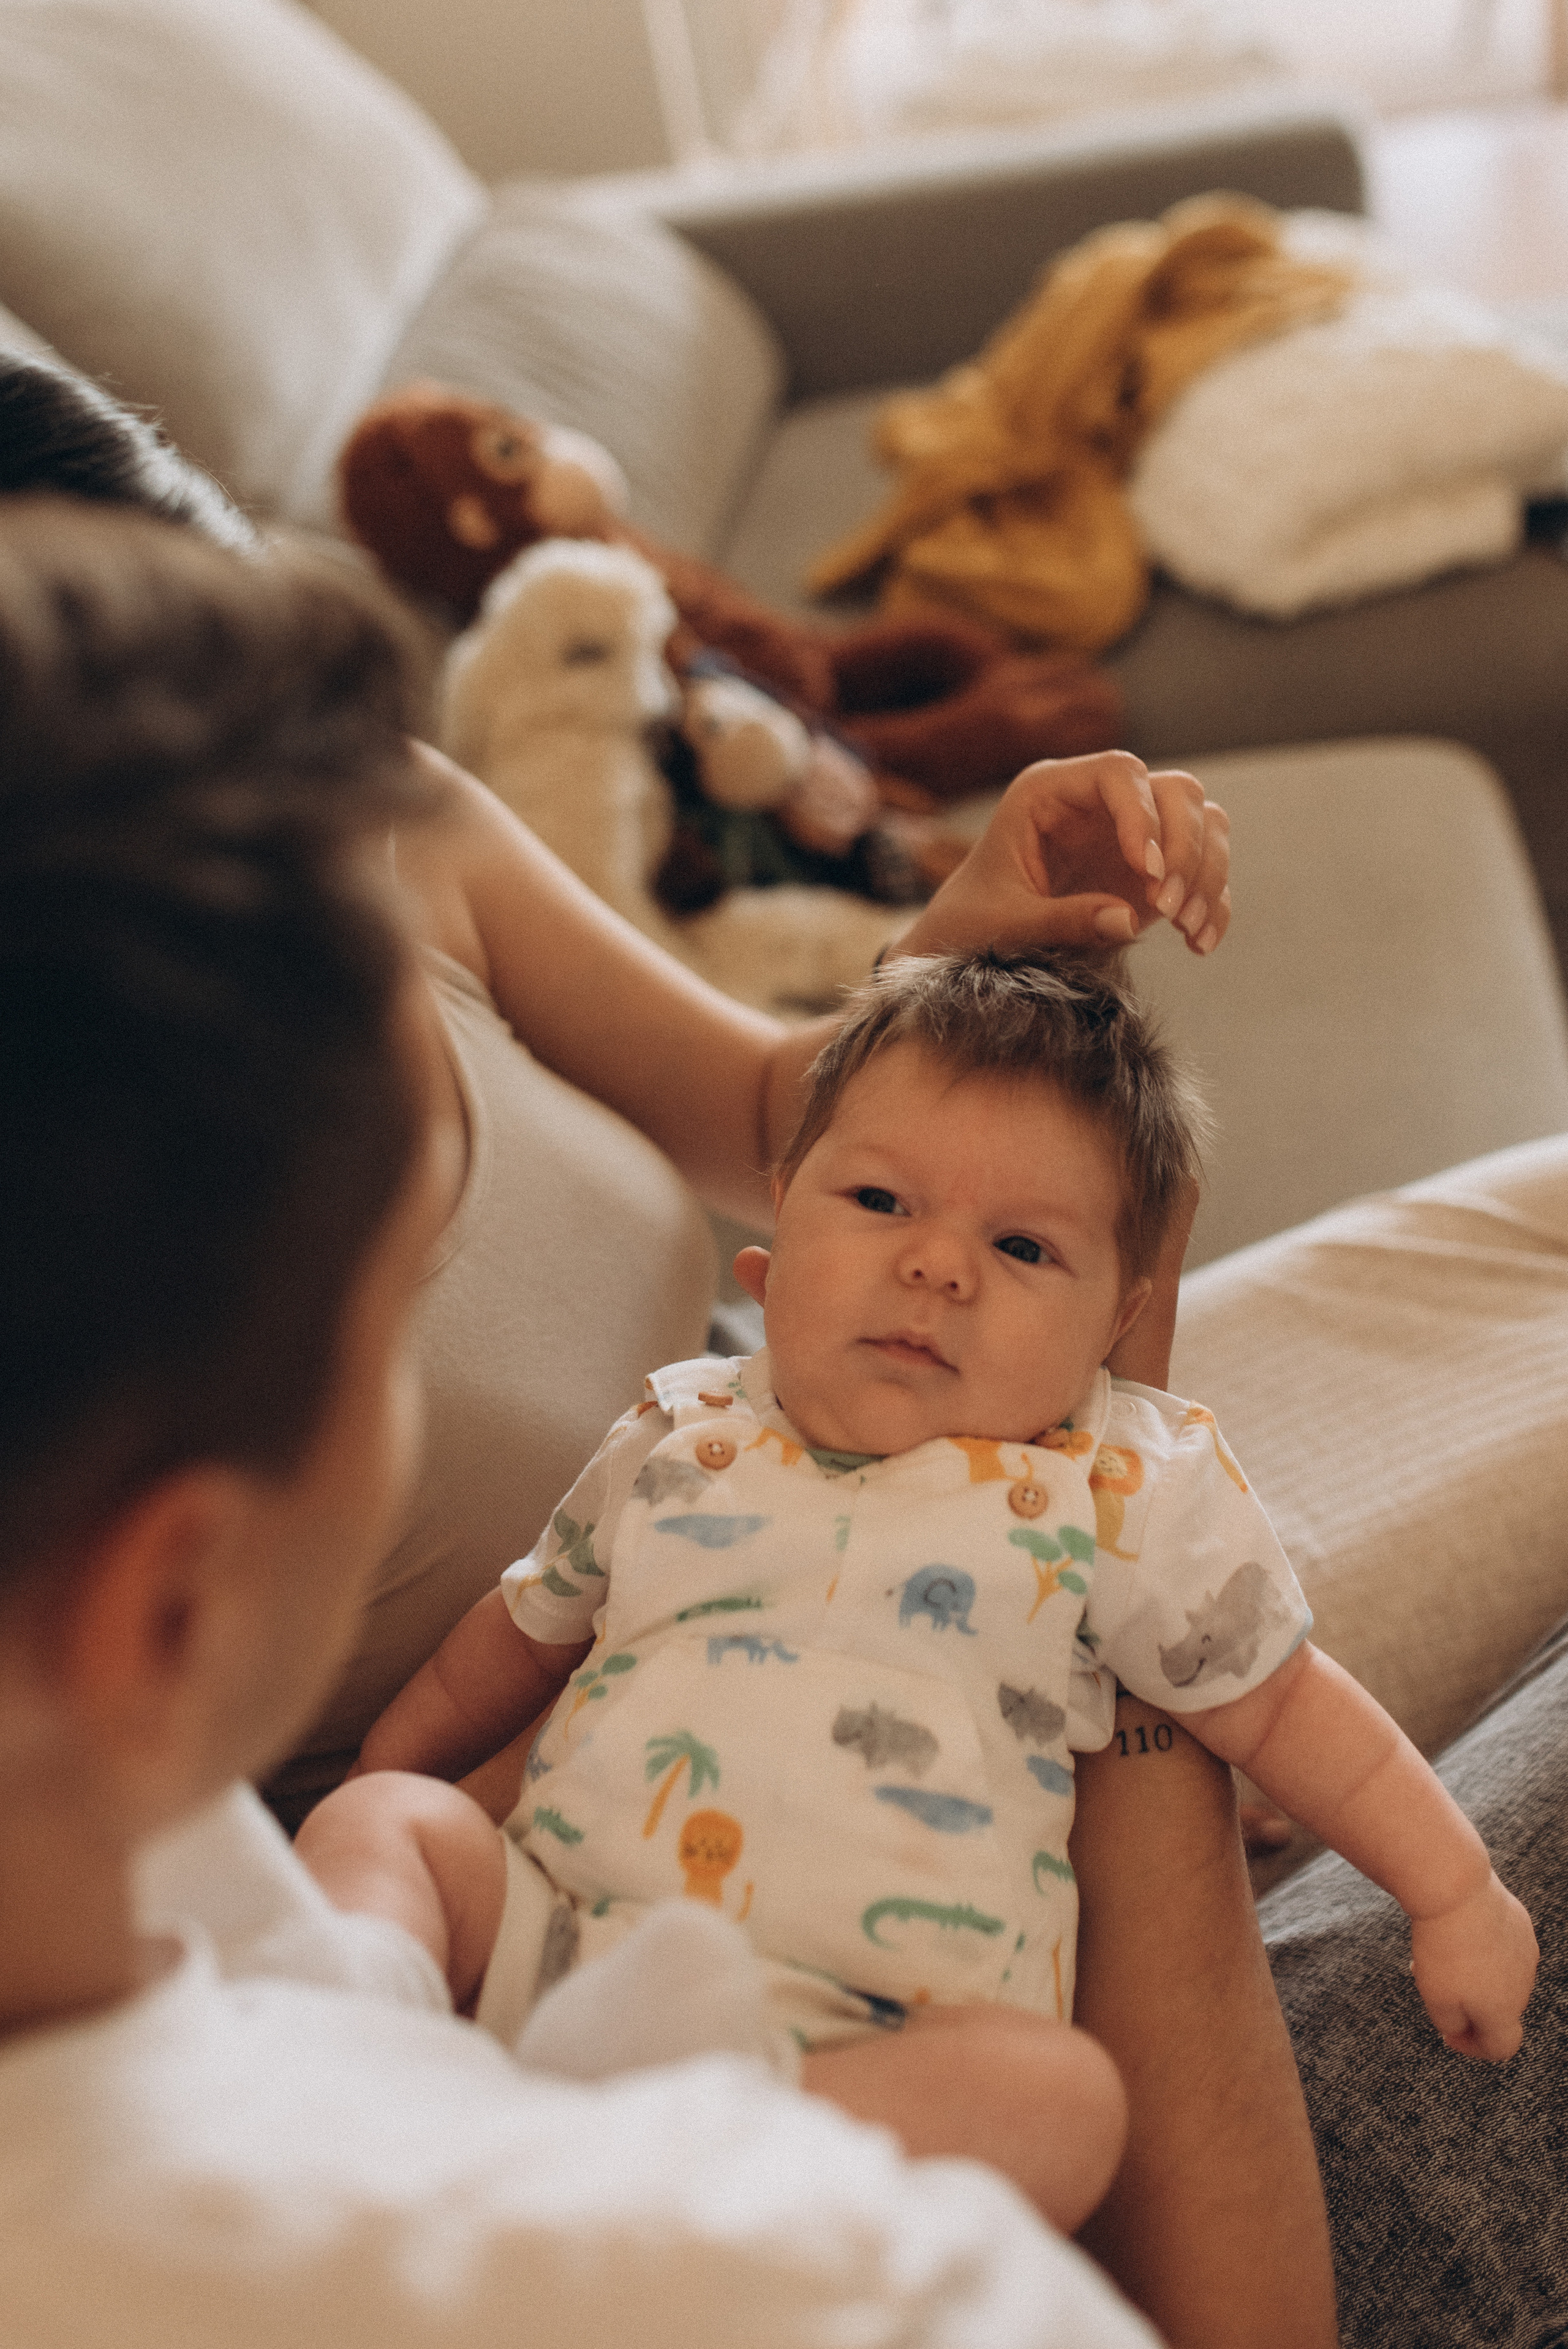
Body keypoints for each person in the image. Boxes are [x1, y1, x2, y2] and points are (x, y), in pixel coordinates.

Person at [1, 357, 1342, 2349]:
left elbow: (759, 1101)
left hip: (871, 1445)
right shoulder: (773, 2245)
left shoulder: (334, 827)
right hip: (743, 1773)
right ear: (167, 1588)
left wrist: (960, 973)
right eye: (399, 1289)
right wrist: (1128, 1613)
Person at [306, 955, 1536, 2155]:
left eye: (1021, 1249)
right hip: (561, 1944)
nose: (936, 1265)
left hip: (864, 2048)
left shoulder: (1111, 1484)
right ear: (776, 1224)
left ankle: (717, 2154)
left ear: (1115, 1322)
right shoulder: (683, 1427)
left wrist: (1452, 1889)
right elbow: (513, 1641)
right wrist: (381, 1773)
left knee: (1061, 2099)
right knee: (389, 1829)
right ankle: (343, 2046)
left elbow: (1286, 1708)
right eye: (880, 1202)